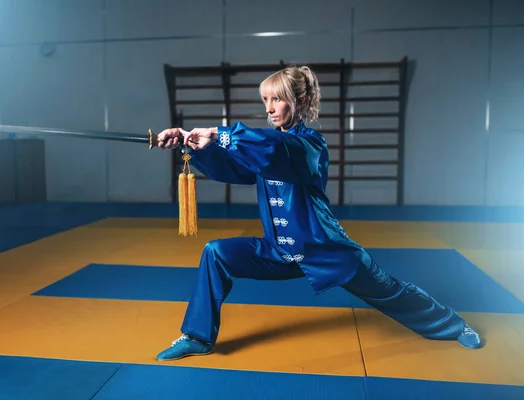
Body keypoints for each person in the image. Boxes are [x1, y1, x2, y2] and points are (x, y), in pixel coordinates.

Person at [154, 65, 482, 361]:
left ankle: (453, 326)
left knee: (391, 292)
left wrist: (219, 133)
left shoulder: (310, 145)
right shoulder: (261, 146)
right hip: (278, 251)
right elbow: (234, 168)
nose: (269, 108)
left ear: (298, 100)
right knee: (216, 253)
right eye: (265, 100)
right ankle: (197, 337)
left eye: (277, 99)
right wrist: (190, 144)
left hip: (327, 251)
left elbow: (276, 152)